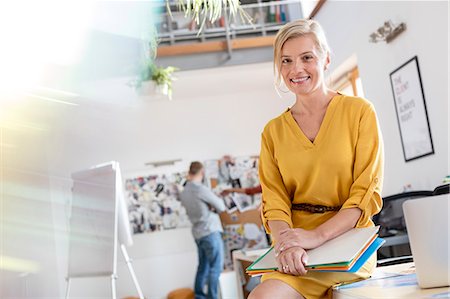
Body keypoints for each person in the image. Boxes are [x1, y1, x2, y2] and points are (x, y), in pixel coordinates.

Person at [248, 19, 384, 299]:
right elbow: (274, 204)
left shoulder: (359, 112)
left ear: (326, 59)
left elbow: (364, 195)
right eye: (286, 61)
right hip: (294, 247)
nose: (295, 69)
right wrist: (290, 244)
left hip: (347, 241)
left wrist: (317, 237)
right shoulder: (273, 132)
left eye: (306, 57)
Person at [179, 161, 226, 299]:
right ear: (202, 172)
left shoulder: (184, 192)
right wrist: (212, 206)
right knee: (215, 268)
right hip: (210, 231)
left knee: (203, 267)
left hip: (197, 234)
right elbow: (221, 206)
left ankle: (199, 296)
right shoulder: (200, 189)